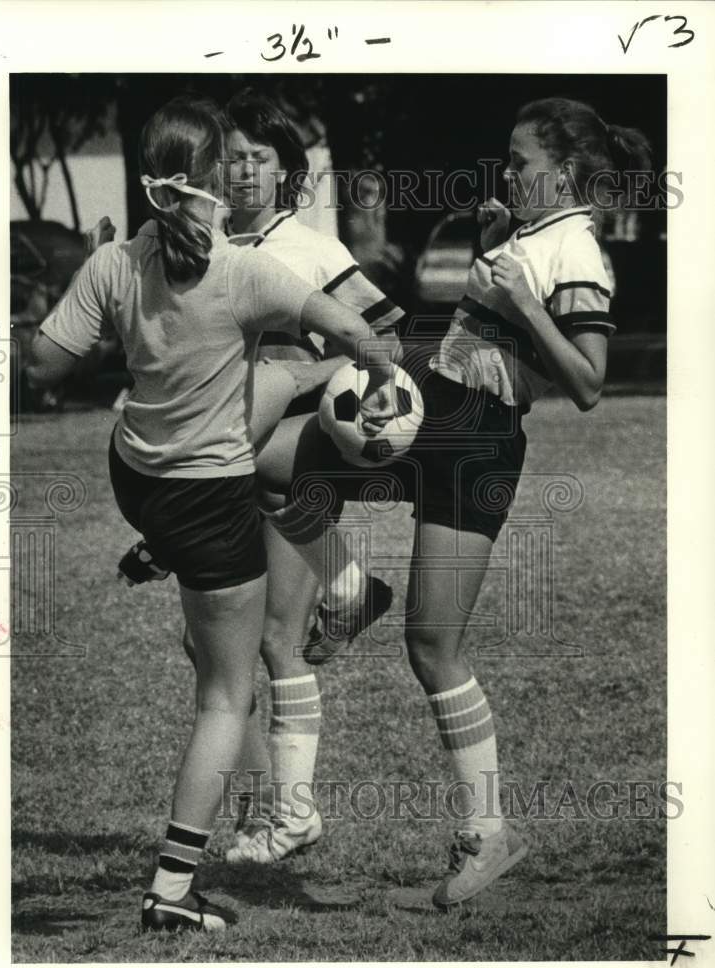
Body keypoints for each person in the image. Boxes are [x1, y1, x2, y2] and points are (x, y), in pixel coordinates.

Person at [251, 96, 651, 908]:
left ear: (566, 172)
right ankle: (348, 586)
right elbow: (489, 314)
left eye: (522, 161)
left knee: (432, 644)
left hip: (479, 439)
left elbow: (588, 384)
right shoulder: (533, 233)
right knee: (269, 464)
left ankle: (486, 834)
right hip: (434, 401)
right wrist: (497, 246)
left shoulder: (577, 248)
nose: (507, 172)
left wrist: (524, 304)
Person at [26, 95, 399, 932]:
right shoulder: (249, 272)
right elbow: (371, 335)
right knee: (226, 695)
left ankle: (326, 578)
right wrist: (370, 382)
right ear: (209, 186)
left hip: (136, 476)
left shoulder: (113, 263)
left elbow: (45, 367)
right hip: (205, 492)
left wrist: (93, 293)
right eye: (226, 162)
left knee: (209, 634)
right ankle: (171, 891)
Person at [115, 89, 406, 864]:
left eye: (259, 158)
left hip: (282, 455)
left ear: (287, 172)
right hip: (218, 469)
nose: (243, 170)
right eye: (232, 156)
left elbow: (383, 339)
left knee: (272, 640)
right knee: (209, 649)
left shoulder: (310, 249)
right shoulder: (191, 246)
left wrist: (294, 377)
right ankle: (260, 809)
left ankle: (290, 816)